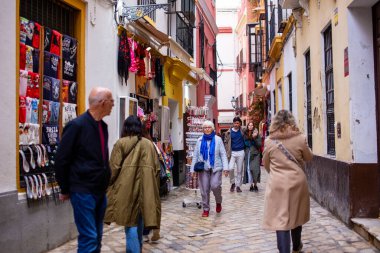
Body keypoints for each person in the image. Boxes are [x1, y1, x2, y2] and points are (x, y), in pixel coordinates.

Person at [55, 87, 114, 253]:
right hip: (82, 191)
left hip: (99, 191)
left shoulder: (102, 126)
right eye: (111, 101)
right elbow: (61, 159)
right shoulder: (77, 126)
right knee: (89, 238)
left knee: (97, 238)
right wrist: (65, 188)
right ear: (102, 103)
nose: (113, 104)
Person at [104, 115, 161, 253]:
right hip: (147, 188)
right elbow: (157, 169)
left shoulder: (121, 143)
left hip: (126, 189)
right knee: (140, 219)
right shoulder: (149, 144)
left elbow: (113, 169)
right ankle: (138, 249)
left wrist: (107, 186)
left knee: (130, 224)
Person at [262, 110, 313, 253]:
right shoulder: (300, 138)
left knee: (281, 219)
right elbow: (309, 157)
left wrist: (276, 174)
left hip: (277, 184)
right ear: (292, 121)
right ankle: (297, 246)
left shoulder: (269, 141)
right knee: (296, 214)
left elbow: (266, 163)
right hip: (297, 182)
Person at [190, 120, 229, 217]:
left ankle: (218, 201)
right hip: (203, 168)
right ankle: (206, 209)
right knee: (204, 189)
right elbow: (195, 156)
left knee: (215, 186)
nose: (207, 129)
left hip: (216, 167)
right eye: (205, 127)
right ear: (203, 129)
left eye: (209, 127)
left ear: (212, 129)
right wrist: (192, 170)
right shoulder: (199, 140)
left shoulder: (218, 139)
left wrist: (226, 168)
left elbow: (223, 154)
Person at [224, 116, 245, 192]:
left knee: (239, 170)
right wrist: (227, 149)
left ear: (240, 124)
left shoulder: (242, 130)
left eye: (237, 123)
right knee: (230, 168)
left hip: (241, 152)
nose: (236, 124)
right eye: (235, 123)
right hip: (232, 152)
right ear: (233, 123)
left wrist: (255, 131)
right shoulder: (228, 132)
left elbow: (251, 128)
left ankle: (238, 186)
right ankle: (233, 183)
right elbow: (226, 141)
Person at [243, 122, 262, 192]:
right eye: (249, 125)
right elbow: (244, 144)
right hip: (248, 153)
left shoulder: (257, 134)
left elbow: (259, 145)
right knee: (248, 170)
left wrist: (254, 138)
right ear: (247, 126)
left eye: (252, 125)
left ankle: (255, 185)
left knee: (255, 170)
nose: (250, 126)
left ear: (253, 126)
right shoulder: (245, 134)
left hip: (256, 154)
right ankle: (251, 185)